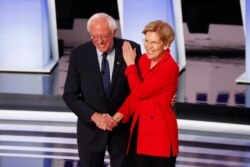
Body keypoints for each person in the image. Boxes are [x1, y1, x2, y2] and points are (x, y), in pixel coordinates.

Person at [62, 13, 141, 167]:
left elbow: (137, 89)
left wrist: (118, 117)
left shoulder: (131, 49)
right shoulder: (79, 54)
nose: (99, 41)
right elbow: (70, 95)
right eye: (94, 36)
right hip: (91, 131)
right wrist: (95, 116)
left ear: (114, 32)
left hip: (122, 130)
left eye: (104, 36)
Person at [112, 20, 179, 167]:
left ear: (166, 44)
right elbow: (135, 95)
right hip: (140, 130)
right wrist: (119, 115)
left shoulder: (169, 67)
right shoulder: (143, 60)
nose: (148, 46)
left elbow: (141, 92)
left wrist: (130, 65)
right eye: (146, 41)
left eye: (154, 43)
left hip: (160, 136)